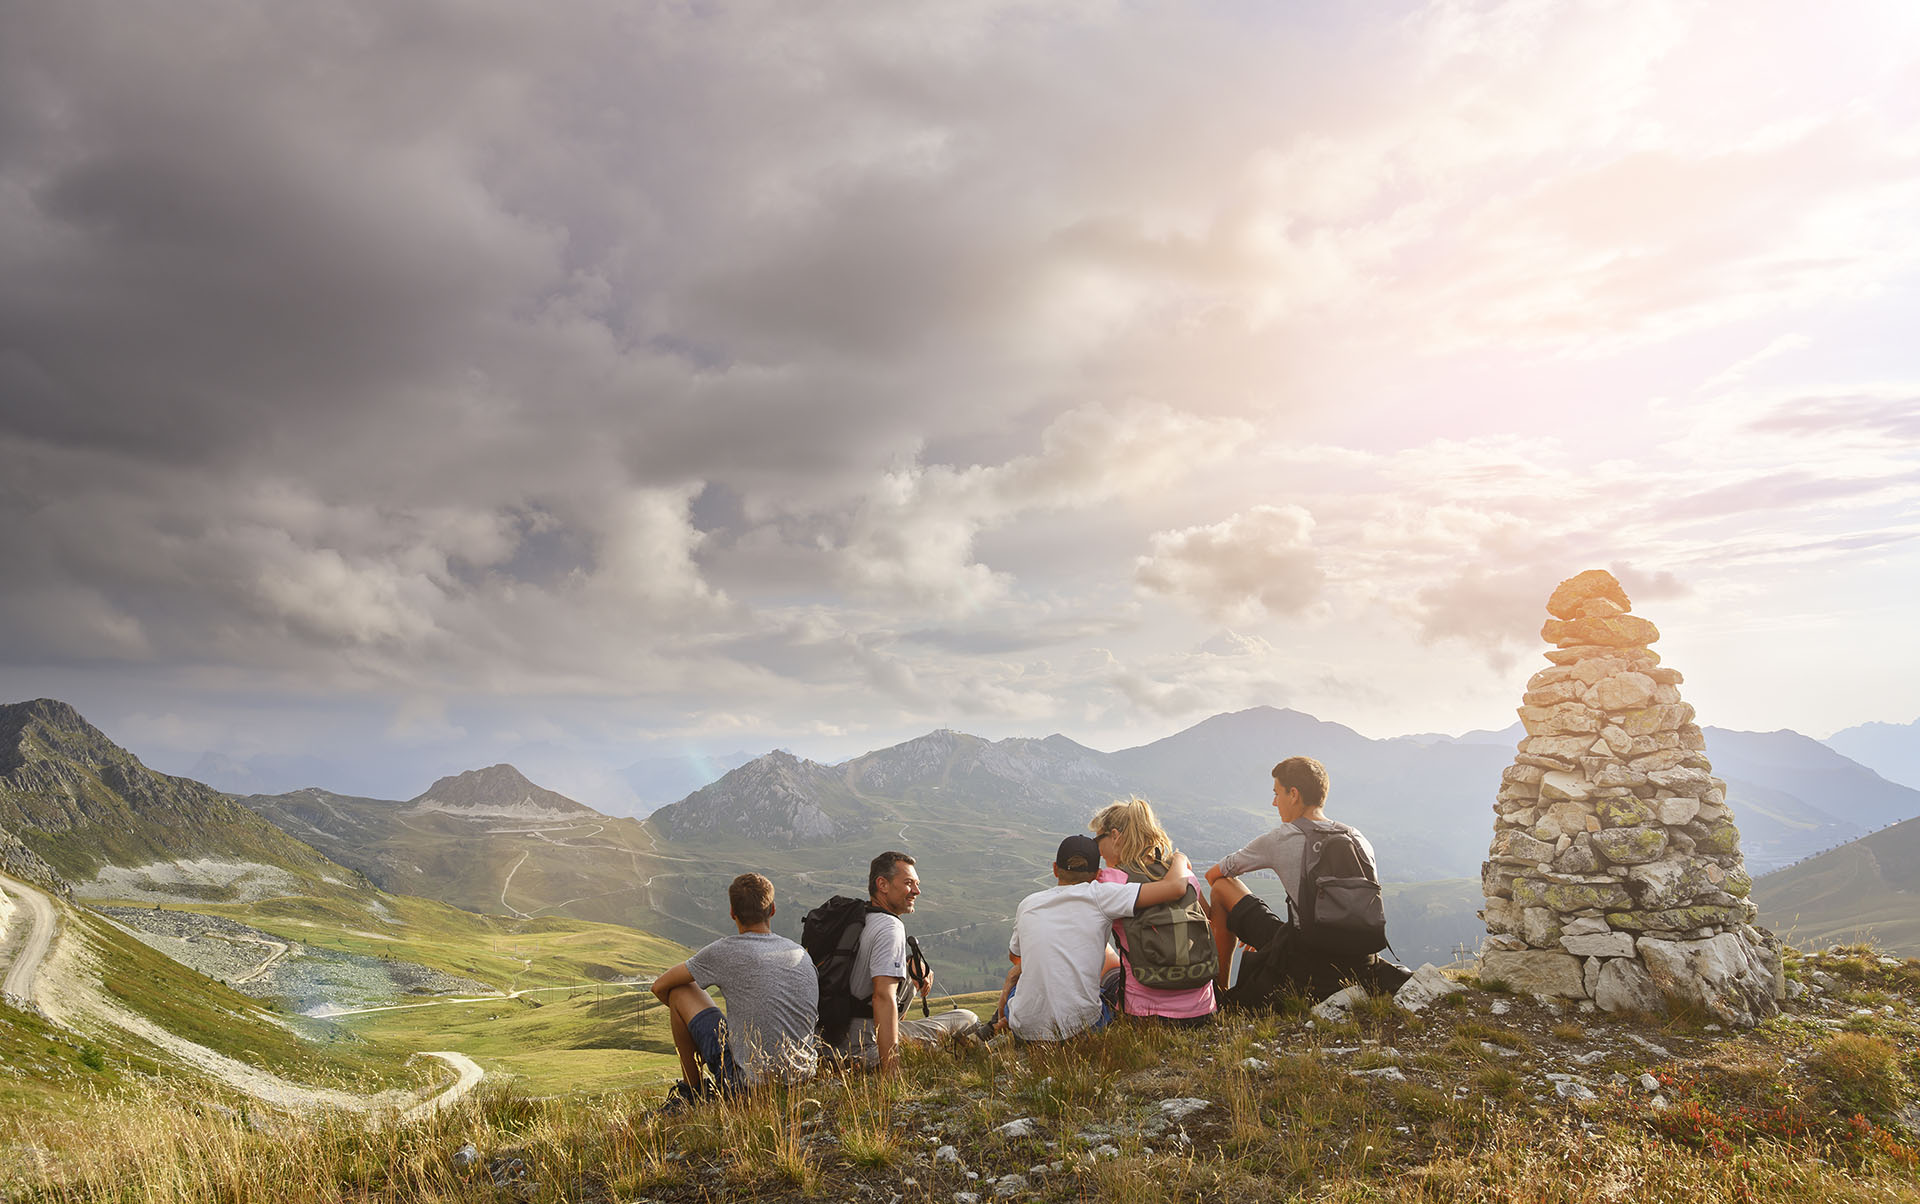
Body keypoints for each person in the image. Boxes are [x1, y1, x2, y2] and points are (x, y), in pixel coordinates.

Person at [1204, 756, 1409, 1006]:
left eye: (1276, 793)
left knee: (1222, 888)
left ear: (1294, 794)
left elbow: (1214, 875)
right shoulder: (1358, 838)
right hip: (1361, 962)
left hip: (1305, 964)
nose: (1273, 802)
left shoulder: (1282, 838)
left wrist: (1238, 922)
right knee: (1285, 932)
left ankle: (1219, 993)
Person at [995, 834, 1196, 1042]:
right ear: (1098, 874)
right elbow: (1176, 887)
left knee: (1019, 982)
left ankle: (1000, 1024)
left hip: (1026, 1029)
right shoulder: (1101, 895)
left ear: (1055, 869)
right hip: (1082, 1028)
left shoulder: (1028, 904)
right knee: (1113, 974)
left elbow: (1016, 958)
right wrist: (1179, 857)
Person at [650, 873, 818, 1106]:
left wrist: (693, 1027)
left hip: (747, 1087)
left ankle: (692, 1093)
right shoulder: (800, 953)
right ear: (773, 910)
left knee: (680, 992)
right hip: (802, 1078)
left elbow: (659, 986)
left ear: (732, 913)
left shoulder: (724, 951)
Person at [835, 851, 981, 1071]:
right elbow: (882, 996)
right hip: (864, 1048)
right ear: (882, 884)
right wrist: (891, 1073)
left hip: (832, 1040)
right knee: (967, 1019)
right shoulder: (890, 927)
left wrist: (910, 966)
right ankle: (980, 1062)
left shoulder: (857, 919)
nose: (917, 891)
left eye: (917, 883)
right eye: (908, 883)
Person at [1090, 797, 1216, 1025]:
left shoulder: (1111, 881)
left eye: (1098, 839)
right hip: (1202, 1011)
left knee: (1106, 954)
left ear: (1115, 837)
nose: (1098, 850)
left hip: (1145, 1015)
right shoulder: (1183, 874)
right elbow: (1208, 918)